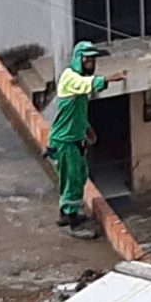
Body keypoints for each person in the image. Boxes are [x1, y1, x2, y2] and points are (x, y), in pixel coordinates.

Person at [48, 41, 107, 238]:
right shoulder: (70, 78)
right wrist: (106, 80)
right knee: (71, 178)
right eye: (87, 59)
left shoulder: (79, 81)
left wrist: (87, 128)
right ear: (78, 59)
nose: (90, 62)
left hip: (75, 138)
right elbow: (86, 84)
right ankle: (69, 218)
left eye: (93, 59)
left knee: (80, 175)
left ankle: (71, 212)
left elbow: (78, 113)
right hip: (64, 141)